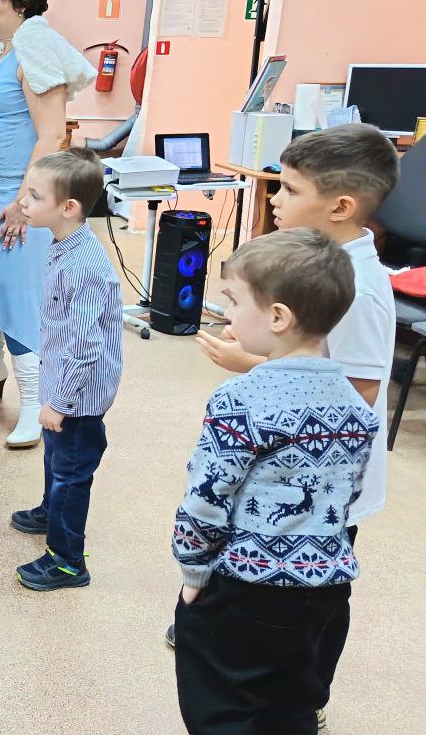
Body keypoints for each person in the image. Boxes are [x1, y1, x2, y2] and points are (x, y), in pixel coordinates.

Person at [191, 123, 399, 720]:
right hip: (291, 473)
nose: (275, 199)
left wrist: (253, 366)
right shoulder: (323, 266)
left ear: (340, 206)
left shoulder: (359, 289)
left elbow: (356, 391)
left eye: (289, 189)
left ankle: (305, 700)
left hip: (329, 484)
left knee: (321, 599)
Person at [172, 230, 376, 735]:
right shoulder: (356, 406)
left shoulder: (240, 399)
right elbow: (346, 495)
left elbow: (207, 499)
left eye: (235, 301)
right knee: (292, 706)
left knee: (221, 706)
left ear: (278, 317)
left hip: (246, 587)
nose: (227, 314)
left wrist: (193, 572)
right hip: (325, 588)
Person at [0, 0, 97, 450]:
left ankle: (34, 398)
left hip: (20, 194)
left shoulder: (34, 50)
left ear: (21, 1)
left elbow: (52, 135)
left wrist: (24, 203)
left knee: (18, 295)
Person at [8, 149, 122, 590]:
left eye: (35, 197)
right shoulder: (63, 244)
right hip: (61, 384)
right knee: (56, 459)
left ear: (68, 207)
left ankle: (69, 561)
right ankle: (49, 510)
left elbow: (85, 345)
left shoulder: (84, 266)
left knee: (71, 475)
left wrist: (58, 402)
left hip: (78, 396)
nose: (24, 202)